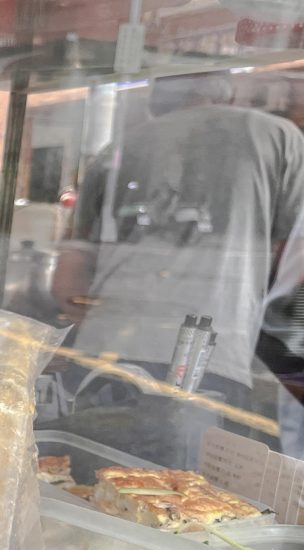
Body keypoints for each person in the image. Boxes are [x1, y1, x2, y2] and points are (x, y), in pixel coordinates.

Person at [53, 71, 304, 414]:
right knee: (182, 468)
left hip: (105, 348)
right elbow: (294, 262)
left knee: (86, 462)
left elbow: (68, 279)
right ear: (228, 91)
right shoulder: (278, 138)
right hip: (208, 356)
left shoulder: (121, 147)